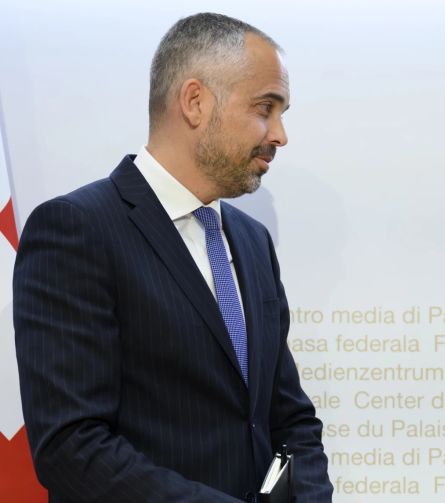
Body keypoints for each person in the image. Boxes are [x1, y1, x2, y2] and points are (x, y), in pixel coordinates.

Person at [13, 13, 332, 502]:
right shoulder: (77, 229)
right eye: (266, 108)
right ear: (195, 102)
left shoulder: (251, 242)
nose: (280, 134)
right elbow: (71, 446)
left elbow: (289, 417)